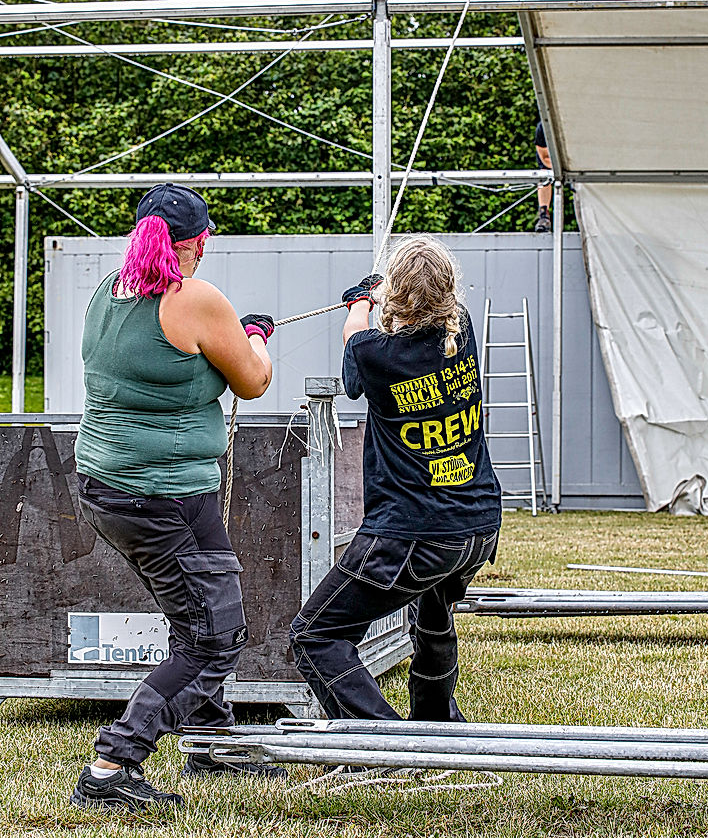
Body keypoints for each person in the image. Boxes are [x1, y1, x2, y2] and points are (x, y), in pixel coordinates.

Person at [70, 183, 280, 811]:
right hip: (166, 499)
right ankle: (112, 766)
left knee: (191, 616)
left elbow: (161, 365)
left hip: (108, 489)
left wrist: (231, 337)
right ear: (200, 241)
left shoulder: (108, 291)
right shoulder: (195, 297)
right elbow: (253, 381)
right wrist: (255, 335)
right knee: (214, 635)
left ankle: (212, 743)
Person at [290, 236, 501, 722]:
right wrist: (384, 293)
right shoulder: (460, 332)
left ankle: (383, 740)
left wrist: (362, 300)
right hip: (477, 526)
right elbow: (418, 312)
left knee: (315, 636)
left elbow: (353, 342)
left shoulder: (374, 354)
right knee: (432, 618)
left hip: (411, 534)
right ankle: (435, 725)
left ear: (397, 295)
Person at [535, 119, 553, 233]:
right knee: (544, 175)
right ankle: (543, 214)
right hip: (551, 163)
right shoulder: (543, 127)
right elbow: (545, 158)